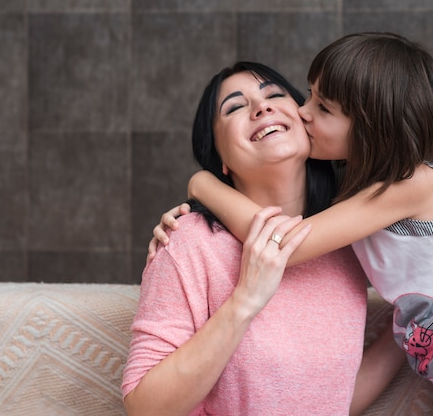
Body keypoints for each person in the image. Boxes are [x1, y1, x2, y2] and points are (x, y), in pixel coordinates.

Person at [150, 33, 433, 416]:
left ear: (371, 130)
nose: (301, 111)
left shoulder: (413, 183)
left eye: (322, 108)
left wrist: (202, 183)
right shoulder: (352, 202)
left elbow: (280, 246)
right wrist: (183, 223)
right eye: (308, 96)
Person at [123, 61, 404, 416]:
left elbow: (330, 402)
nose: (262, 107)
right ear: (220, 158)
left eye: (274, 94)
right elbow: (143, 409)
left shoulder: (348, 244)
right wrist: (245, 300)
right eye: (235, 107)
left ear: (308, 124)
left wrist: (409, 326)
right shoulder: (190, 242)